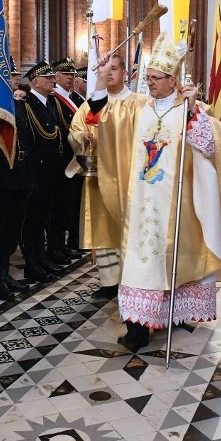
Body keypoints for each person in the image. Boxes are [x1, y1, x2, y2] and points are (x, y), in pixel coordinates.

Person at [85, 33, 221, 353]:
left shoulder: (190, 110)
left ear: (172, 79)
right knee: (142, 262)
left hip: (180, 203)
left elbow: (213, 147)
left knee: (181, 258)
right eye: (147, 78)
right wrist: (98, 79)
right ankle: (137, 328)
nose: (149, 83)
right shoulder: (137, 108)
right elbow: (97, 117)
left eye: (154, 78)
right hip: (142, 205)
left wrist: (193, 111)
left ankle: (176, 314)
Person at [68, 53, 132, 300]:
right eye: (106, 70)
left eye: (115, 69)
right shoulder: (90, 103)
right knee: (103, 229)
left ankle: (129, 280)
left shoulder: (136, 103)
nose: (110, 74)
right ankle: (108, 282)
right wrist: (81, 137)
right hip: (97, 177)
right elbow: (75, 129)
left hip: (126, 179)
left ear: (124, 73)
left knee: (125, 228)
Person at [20, 60, 67, 282]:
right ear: (36, 82)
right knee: (33, 220)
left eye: (52, 77)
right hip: (37, 172)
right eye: (48, 78)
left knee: (44, 217)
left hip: (52, 171)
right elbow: (28, 143)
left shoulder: (50, 103)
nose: (52, 80)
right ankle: (32, 262)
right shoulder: (27, 104)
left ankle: (42, 256)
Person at [47, 57, 83, 262]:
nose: (70, 78)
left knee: (68, 205)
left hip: (74, 158)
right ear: (57, 76)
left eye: (72, 75)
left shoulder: (71, 99)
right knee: (58, 207)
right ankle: (55, 246)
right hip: (63, 160)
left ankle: (62, 244)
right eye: (66, 74)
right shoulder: (54, 99)